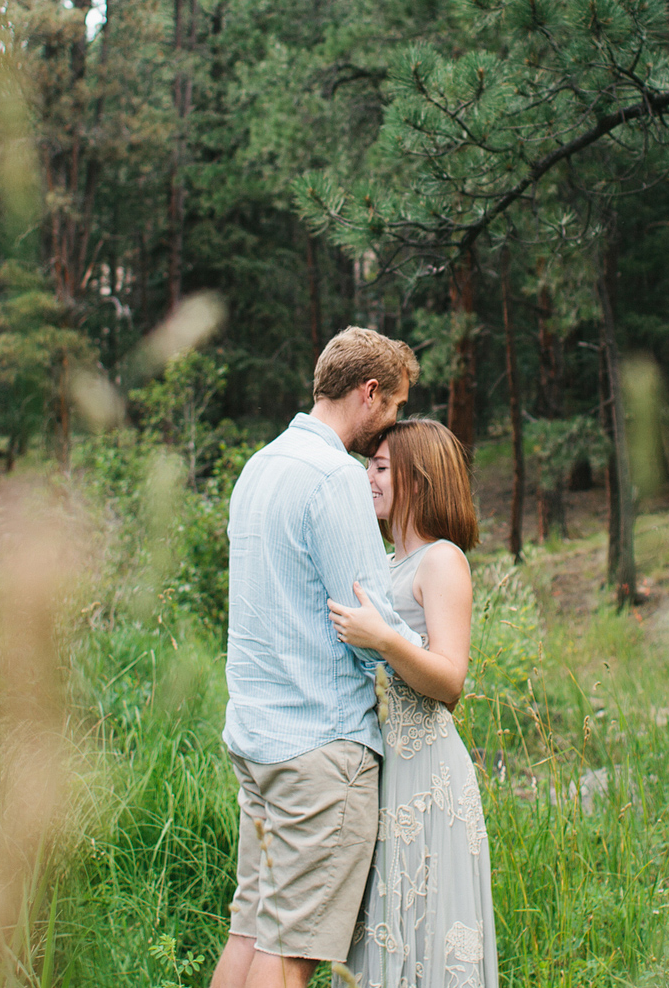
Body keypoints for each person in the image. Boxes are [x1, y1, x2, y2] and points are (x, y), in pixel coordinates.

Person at [212, 327, 421, 988]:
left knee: (251, 932)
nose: (392, 423)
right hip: (320, 749)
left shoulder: (260, 466)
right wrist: (429, 659)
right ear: (369, 392)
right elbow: (372, 619)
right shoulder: (334, 478)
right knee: (290, 950)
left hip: (258, 739)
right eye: (393, 406)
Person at [328, 419, 499, 988]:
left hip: (428, 778)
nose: (367, 478)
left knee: (426, 934)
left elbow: (451, 681)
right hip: (383, 774)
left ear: (417, 480)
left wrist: (384, 639)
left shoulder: (442, 560)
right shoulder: (386, 566)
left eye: (380, 467)